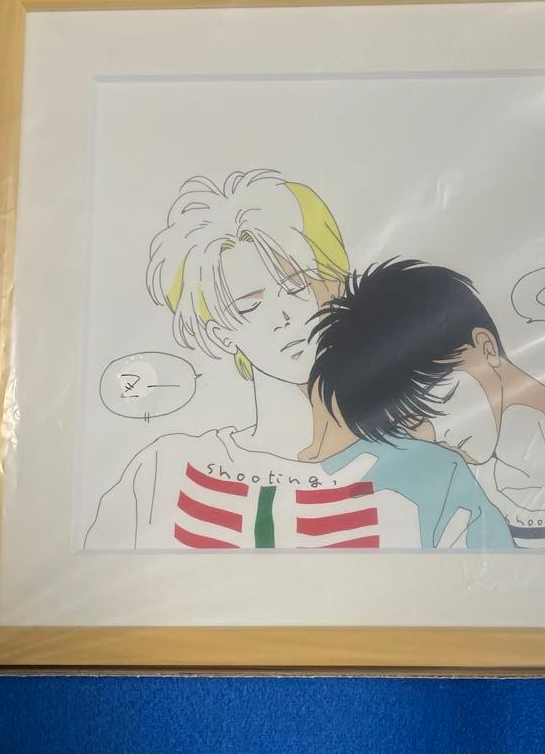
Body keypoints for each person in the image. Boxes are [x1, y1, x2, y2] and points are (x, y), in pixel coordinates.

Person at [85, 173, 512, 551]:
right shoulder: (164, 470)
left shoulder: (433, 472)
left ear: (337, 284)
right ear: (219, 335)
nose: (284, 316)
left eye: (296, 286)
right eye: (249, 305)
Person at [309, 259, 545, 551]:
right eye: (412, 423)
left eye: (442, 397)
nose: (438, 432)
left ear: (486, 347)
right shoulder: (470, 499)